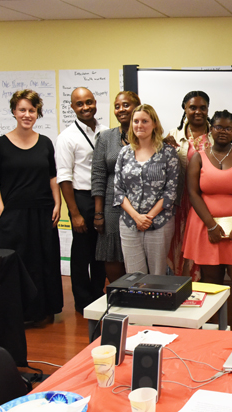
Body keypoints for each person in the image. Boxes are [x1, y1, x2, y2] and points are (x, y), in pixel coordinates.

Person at [0, 89, 63, 323]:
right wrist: (2, 215)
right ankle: (16, 315)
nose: (27, 114)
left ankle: (43, 312)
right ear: (13, 111)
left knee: (44, 262)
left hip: (43, 213)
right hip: (13, 215)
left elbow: (53, 178)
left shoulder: (45, 143)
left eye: (32, 110)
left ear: (37, 113)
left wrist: (58, 203)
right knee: (16, 264)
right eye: (22, 109)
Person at [184, 110, 232, 331]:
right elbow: (193, 193)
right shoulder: (199, 157)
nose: (223, 131)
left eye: (228, 128)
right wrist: (211, 225)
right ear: (211, 129)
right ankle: (215, 324)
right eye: (218, 127)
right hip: (207, 229)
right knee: (211, 281)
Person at [56, 87, 108, 313]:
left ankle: (98, 295)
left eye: (89, 102)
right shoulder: (67, 137)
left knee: (101, 252)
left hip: (105, 198)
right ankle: (83, 301)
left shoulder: (106, 132)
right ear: (72, 107)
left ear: (95, 102)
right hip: (82, 198)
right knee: (81, 254)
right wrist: (74, 214)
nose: (85, 107)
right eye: (80, 104)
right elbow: (64, 178)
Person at [114, 104, 179, 276]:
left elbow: (170, 192)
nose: (139, 125)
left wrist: (148, 218)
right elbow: (118, 191)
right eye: (136, 121)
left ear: (154, 124)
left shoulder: (167, 153)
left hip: (159, 223)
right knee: (134, 277)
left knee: (158, 275)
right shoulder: (124, 153)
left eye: (145, 121)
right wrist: (137, 217)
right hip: (130, 224)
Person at [92, 91, 141, 283]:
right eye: (117, 106)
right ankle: (118, 296)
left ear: (137, 107)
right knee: (112, 252)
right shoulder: (105, 138)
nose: (121, 110)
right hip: (112, 205)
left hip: (141, 204)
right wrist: (98, 213)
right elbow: (98, 175)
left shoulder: (147, 135)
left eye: (126, 105)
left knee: (138, 253)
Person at [166, 91, 213, 280]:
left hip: (204, 203)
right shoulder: (173, 136)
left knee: (202, 250)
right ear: (185, 109)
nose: (198, 111)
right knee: (177, 249)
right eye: (193, 107)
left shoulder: (216, 135)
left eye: (203, 107)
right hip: (177, 204)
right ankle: (180, 293)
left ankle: (201, 295)